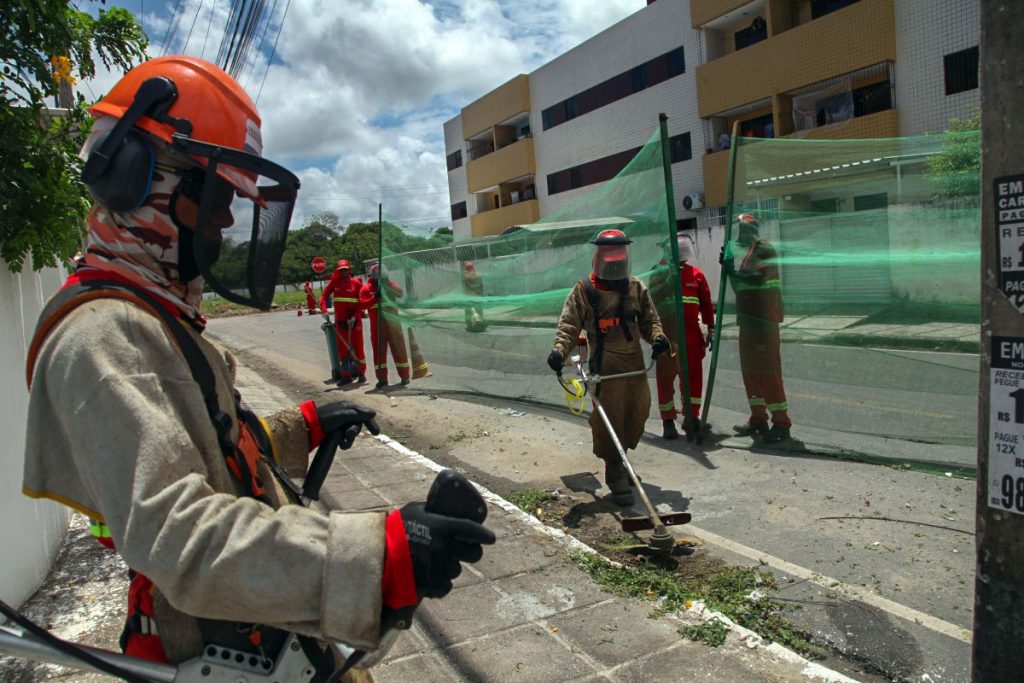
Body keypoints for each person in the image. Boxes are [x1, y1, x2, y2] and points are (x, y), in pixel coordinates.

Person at [22, 56, 493, 675]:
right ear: (135, 177)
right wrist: (378, 556)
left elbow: (201, 454)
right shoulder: (103, 334)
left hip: (258, 636)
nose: (223, 220)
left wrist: (301, 428)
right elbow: (177, 534)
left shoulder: (146, 315)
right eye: (216, 196)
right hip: (217, 649)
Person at [547, 229, 668, 506]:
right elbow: (568, 326)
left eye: (619, 257)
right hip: (606, 366)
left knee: (636, 414)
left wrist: (659, 338)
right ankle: (615, 471)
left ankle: (622, 458)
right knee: (609, 419)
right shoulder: (585, 291)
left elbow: (650, 320)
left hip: (634, 365)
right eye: (609, 258)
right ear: (599, 258)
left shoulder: (636, 287)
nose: (614, 264)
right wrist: (559, 351)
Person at [724, 213, 791, 442]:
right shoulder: (750, 253)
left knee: (768, 371)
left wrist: (731, 269)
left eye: (741, 230)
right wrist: (729, 269)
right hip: (749, 320)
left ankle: (781, 423)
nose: (738, 235)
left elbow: (754, 279)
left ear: (749, 230)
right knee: (751, 371)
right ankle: (758, 419)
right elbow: (741, 288)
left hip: (763, 322)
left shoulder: (763, 249)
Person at [652, 234, 715, 440]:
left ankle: (691, 416)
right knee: (665, 379)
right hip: (667, 336)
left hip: (691, 336)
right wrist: (666, 281)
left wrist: (711, 327)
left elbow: (706, 303)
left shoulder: (696, 274)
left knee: (693, 378)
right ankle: (668, 421)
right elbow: (651, 301)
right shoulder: (658, 273)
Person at [361, 263, 411, 389]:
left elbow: (400, 293)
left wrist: (387, 285)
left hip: (393, 324)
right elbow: (362, 305)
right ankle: (382, 379)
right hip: (377, 327)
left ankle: (404, 376)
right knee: (379, 353)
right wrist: (375, 297)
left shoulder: (389, 284)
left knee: (399, 349)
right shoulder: (366, 289)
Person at [321, 259, 367, 384]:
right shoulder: (334, 283)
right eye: (341, 270)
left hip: (355, 322)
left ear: (349, 270)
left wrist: (355, 316)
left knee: (358, 348)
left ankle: (361, 374)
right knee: (343, 349)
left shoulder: (356, 284)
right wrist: (324, 311)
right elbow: (324, 297)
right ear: (338, 271)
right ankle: (346, 375)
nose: (344, 273)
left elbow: (361, 302)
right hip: (340, 322)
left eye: (345, 270)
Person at [462, 260, 487, 332]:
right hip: (478, 295)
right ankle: (480, 323)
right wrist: (481, 293)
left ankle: (470, 325)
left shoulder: (466, 276)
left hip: (469, 296)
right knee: (479, 310)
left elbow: (465, 287)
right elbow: (481, 285)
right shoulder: (478, 275)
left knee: (469, 311)